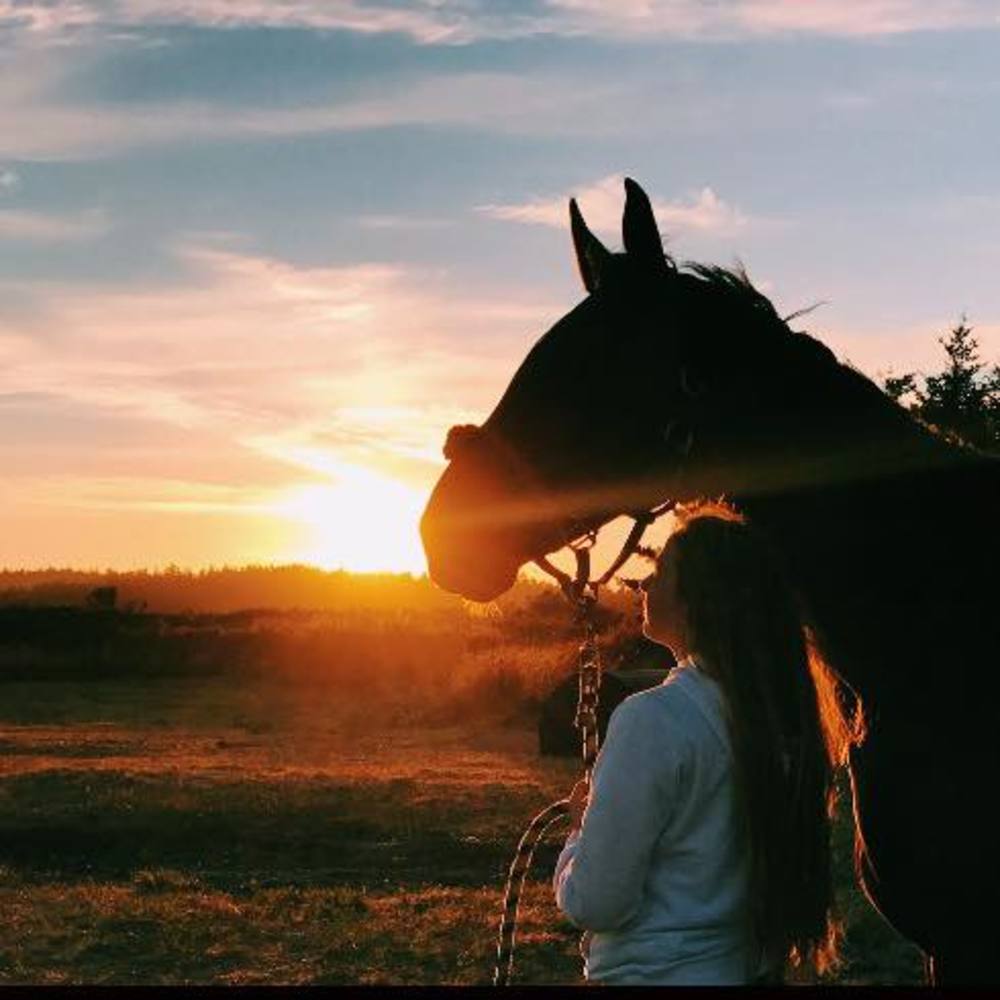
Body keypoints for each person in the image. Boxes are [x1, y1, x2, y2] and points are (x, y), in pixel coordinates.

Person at [553, 502, 859, 985]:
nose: (645, 584)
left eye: (661, 571)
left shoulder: (651, 719)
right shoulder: (778, 719)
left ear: (698, 599)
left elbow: (597, 902)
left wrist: (576, 837)